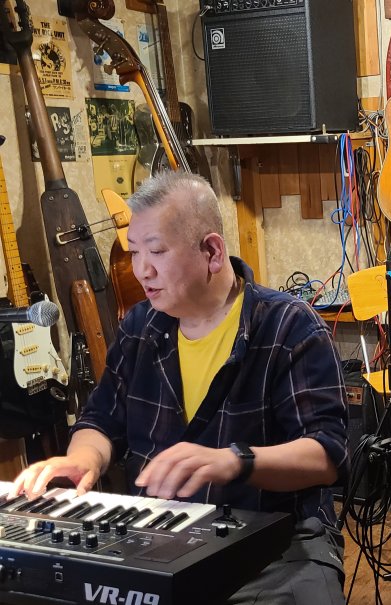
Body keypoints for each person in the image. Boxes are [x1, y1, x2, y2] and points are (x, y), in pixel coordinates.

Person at [9, 171, 349, 604]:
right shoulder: (140, 327)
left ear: (212, 252)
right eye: (135, 252)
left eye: (157, 251)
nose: (142, 270)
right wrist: (83, 459)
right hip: (158, 532)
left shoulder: (289, 326)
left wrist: (236, 461)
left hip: (278, 545)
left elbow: (327, 455)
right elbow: (100, 420)